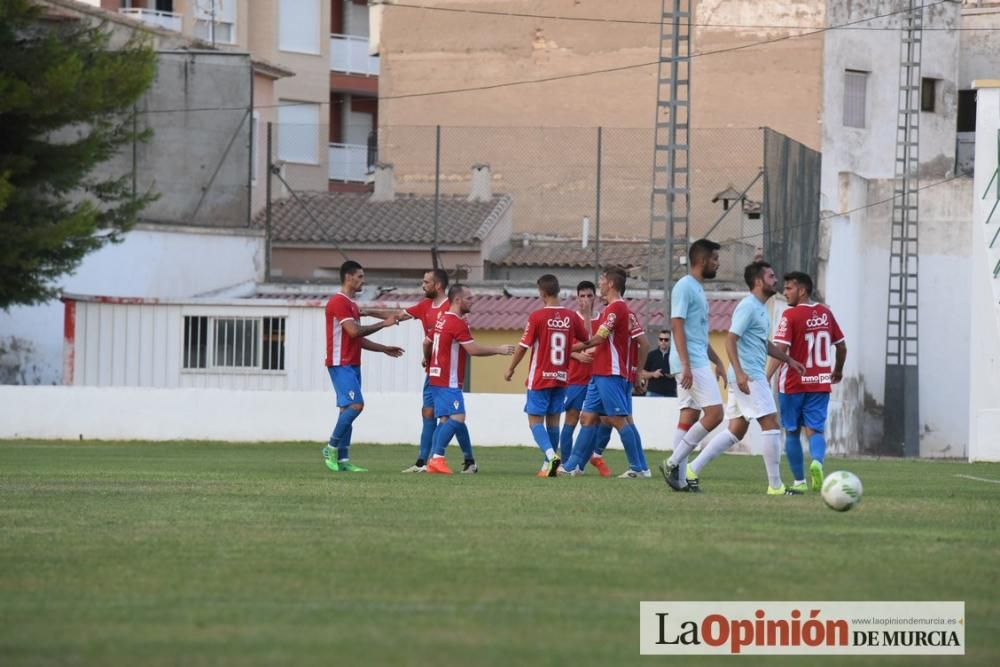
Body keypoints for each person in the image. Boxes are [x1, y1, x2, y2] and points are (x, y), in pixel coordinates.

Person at [687, 262, 806, 495]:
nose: (776, 280)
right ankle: (776, 487)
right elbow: (731, 339)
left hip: (746, 375)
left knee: (736, 431)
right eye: (771, 276)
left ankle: (691, 469)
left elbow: (763, 343)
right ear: (759, 281)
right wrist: (741, 373)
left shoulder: (762, 308)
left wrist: (789, 360)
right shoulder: (748, 306)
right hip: (748, 376)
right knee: (771, 424)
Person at [558, 266, 651, 478]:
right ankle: (573, 466)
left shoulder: (616, 309)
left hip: (611, 372)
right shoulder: (622, 311)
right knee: (588, 418)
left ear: (610, 284)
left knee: (619, 420)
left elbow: (599, 338)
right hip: (600, 373)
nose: (599, 283)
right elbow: (642, 344)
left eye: (601, 280)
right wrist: (636, 372)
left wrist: (571, 348)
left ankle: (638, 468)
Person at [366, 269, 454, 474]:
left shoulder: (451, 308)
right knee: (428, 413)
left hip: (448, 372)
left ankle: (452, 459)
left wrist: (428, 354)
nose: (422, 285)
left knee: (449, 417)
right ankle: (422, 461)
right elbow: (397, 316)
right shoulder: (424, 306)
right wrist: (366, 312)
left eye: (426, 282)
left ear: (438, 285)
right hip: (432, 370)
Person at [767, 271, 847, 493]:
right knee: (815, 430)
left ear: (802, 290)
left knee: (792, 431)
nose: (784, 292)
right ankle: (817, 463)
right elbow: (841, 345)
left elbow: (780, 349)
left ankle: (800, 482)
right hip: (820, 381)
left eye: (789, 288)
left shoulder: (789, 316)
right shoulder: (825, 313)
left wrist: (767, 376)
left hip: (793, 383)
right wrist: (837, 370)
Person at [659, 239, 728, 493]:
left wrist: (719, 362)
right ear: (702, 261)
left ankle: (678, 480)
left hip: (696, 359)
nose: (718, 264)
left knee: (689, 416)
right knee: (715, 414)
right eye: (715, 259)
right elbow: (676, 325)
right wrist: (686, 365)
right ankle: (673, 463)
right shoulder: (685, 286)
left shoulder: (697, 288)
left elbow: (699, 334)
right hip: (690, 362)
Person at [323, 260, 404, 472]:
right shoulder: (338, 302)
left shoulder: (352, 305)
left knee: (346, 410)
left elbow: (357, 340)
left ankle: (342, 459)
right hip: (340, 364)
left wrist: (383, 348)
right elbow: (354, 332)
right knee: (356, 405)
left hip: (352, 364)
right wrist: (383, 323)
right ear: (348, 277)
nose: (362, 281)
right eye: (360, 277)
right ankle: (330, 446)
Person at [505, 274, 590, 476]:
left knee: (534, 422)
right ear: (558, 291)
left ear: (542, 293)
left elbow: (523, 347)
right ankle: (547, 466)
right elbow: (587, 339)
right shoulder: (570, 316)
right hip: (561, 377)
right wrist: (585, 317)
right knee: (553, 422)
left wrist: (511, 368)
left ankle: (552, 456)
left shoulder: (537, 317)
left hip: (541, 376)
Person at [426, 285, 515, 475]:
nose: (472, 301)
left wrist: (428, 361)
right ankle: (437, 458)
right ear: (458, 300)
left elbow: (427, 342)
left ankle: (465, 461)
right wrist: (498, 350)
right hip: (447, 379)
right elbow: (472, 350)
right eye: (469, 298)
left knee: (447, 420)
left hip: (436, 376)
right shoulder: (455, 322)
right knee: (458, 417)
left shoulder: (443, 319)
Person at [558, 281, 612, 475]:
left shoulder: (603, 319)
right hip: (576, 378)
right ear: (577, 298)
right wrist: (576, 355)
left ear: (595, 298)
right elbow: (561, 346)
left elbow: (602, 343)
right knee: (571, 420)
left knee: (601, 421)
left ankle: (583, 462)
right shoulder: (571, 319)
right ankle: (565, 463)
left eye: (590, 296)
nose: (586, 300)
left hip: (598, 377)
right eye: (582, 296)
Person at [643, 330, 677, 397]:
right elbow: (642, 373)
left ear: (670, 341)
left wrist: (674, 374)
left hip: (671, 393)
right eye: (661, 339)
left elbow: (683, 372)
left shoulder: (675, 355)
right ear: (658, 341)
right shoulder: (651, 355)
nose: (663, 342)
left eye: (666, 340)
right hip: (653, 392)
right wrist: (653, 374)